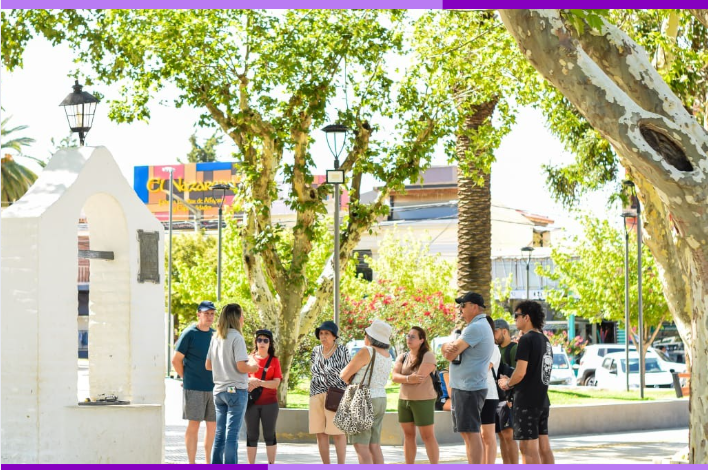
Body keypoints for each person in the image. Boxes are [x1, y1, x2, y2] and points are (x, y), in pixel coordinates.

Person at [499, 300, 555, 465]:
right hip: (542, 399)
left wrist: (507, 383)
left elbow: (520, 372)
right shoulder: (545, 340)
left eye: (516, 315)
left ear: (527, 317)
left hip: (526, 401)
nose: (515, 319)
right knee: (544, 447)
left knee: (527, 448)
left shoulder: (526, 340)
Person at [441, 292, 494, 464]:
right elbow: (450, 352)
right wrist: (446, 347)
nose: (460, 309)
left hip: (468, 388)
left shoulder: (476, 327)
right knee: (467, 433)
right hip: (466, 387)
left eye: (463, 305)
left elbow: (450, 354)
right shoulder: (477, 326)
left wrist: (444, 347)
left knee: (471, 433)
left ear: (474, 306)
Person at [205, 303, 259, 464]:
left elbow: (208, 365)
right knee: (232, 435)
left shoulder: (215, 337)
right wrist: (254, 366)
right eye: (241, 315)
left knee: (220, 433)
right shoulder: (237, 337)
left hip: (219, 391)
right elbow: (241, 367)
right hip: (235, 390)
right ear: (236, 318)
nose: (243, 318)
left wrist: (223, 365)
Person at [339, 319, 394, 464]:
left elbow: (344, 374)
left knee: (361, 445)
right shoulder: (388, 355)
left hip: (363, 399)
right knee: (374, 445)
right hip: (380, 398)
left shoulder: (366, 351)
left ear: (370, 337)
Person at [171, 300, 217, 464]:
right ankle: (192, 463)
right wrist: (186, 378)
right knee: (194, 424)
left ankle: (208, 462)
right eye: (206, 313)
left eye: (212, 314)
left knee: (212, 426)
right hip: (194, 388)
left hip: (214, 388)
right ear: (198, 314)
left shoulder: (215, 335)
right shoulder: (189, 333)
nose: (209, 317)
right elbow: (176, 360)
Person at [391, 326, 440, 464]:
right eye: (408, 336)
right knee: (408, 435)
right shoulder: (402, 356)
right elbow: (394, 377)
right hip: (404, 400)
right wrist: (408, 378)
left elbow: (419, 378)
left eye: (413, 336)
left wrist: (404, 378)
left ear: (421, 340)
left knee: (427, 436)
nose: (409, 339)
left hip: (423, 400)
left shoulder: (428, 355)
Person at [309, 320, 351, 464]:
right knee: (320, 432)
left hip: (335, 395)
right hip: (316, 394)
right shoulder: (316, 351)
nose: (323, 336)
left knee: (338, 433)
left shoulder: (342, 350)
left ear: (334, 336)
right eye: (321, 333)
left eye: (327, 333)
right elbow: (313, 371)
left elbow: (349, 373)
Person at [245, 329, 283, 464]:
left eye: (265, 340)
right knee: (251, 435)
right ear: (256, 342)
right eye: (259, 340)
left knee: (269, 434)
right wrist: (249, 381)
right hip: (251, 403)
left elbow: (276, 383)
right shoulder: (248, 359)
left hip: (270, 404)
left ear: (270, 343)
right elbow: (240, 379)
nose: (262, 343)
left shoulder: (274, 361)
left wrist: (259, 382)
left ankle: (271, 465)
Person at [494, 318, 519, 464]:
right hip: (497, 396)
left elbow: (519, 373)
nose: (493, 335)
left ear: (504, 331)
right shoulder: (495, 349)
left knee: (508, 434)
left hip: (508, 398)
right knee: (502, 435)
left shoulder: (514, 349)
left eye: (495, 332)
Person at [481, 316, 501, 464]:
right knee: (479, 436)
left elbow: (484, 368)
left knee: (488, 435)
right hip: (475, 393)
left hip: (489, 395)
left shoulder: (493, 348)